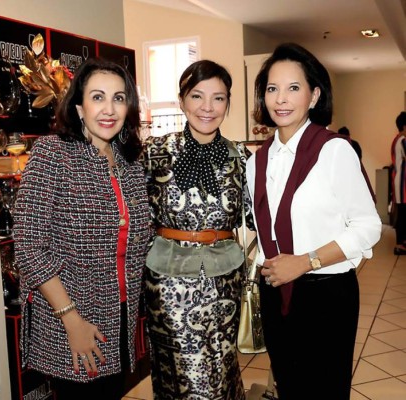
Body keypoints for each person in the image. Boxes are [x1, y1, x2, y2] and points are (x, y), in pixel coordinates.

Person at [246, 42, 382, 400]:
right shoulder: (256, 162)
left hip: (325, 294)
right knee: (290, 389)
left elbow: (368, 227)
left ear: (314, 94)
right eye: (272, 89)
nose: (281, 99)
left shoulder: (333, 150)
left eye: (294, 88)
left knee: (325, 391)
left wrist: (305, 262)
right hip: (275, 292)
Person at [13, 58, 151, 400]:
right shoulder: (53, 154)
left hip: (119, 315)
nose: (109, 109)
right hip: (71, 318)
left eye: (119, 98)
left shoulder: (129, 161)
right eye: (98, 97)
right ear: (79, 107)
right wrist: (71, 320)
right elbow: (29, 247)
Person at [142, 59, 253, 400]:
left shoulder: (241, 157)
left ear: (228, 103)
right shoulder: (154, 152)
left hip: (226, 280)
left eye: (218, 98)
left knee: (220, 369)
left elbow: (260, 218)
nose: (208, 107)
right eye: (197, 96)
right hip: (166, 282)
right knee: (178, 375)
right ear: (181, 100)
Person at [391, 111, 406, 255]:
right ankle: (399, 245)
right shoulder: (403, 140)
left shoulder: (396, 139)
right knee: (402, 214)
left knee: (402, 213)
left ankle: (401, 242)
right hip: (402, 184)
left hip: (399, 182)